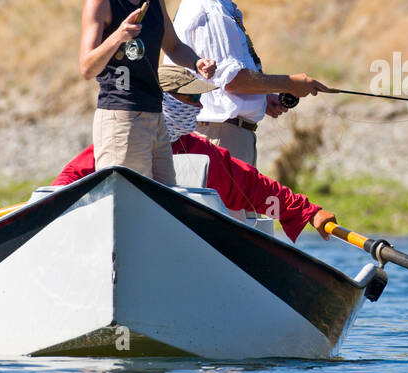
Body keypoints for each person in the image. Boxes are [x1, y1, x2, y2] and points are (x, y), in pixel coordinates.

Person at [53, 66, 337, 243]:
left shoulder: (198, 150)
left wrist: (308, 212)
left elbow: (253, 187)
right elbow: (64, 185)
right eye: (192, 98)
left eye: (201, 98)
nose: (200, 107)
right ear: (162, 98)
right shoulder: (120, 139)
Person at [172, 0, 330, 166]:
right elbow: (233, 81)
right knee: (225, 205)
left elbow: (222, 80)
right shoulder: (209, 10)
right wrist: (290, 82)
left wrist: (263, 97)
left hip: (224, 135)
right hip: (220, 137)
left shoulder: (214, 5)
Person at [79, 0, 216, 184]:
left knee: (166, 207)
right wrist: (118, 36)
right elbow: (86, 67)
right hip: (120, 120)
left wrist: (197, 62)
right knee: (130, 202)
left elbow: (174, 46)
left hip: (156, 117)